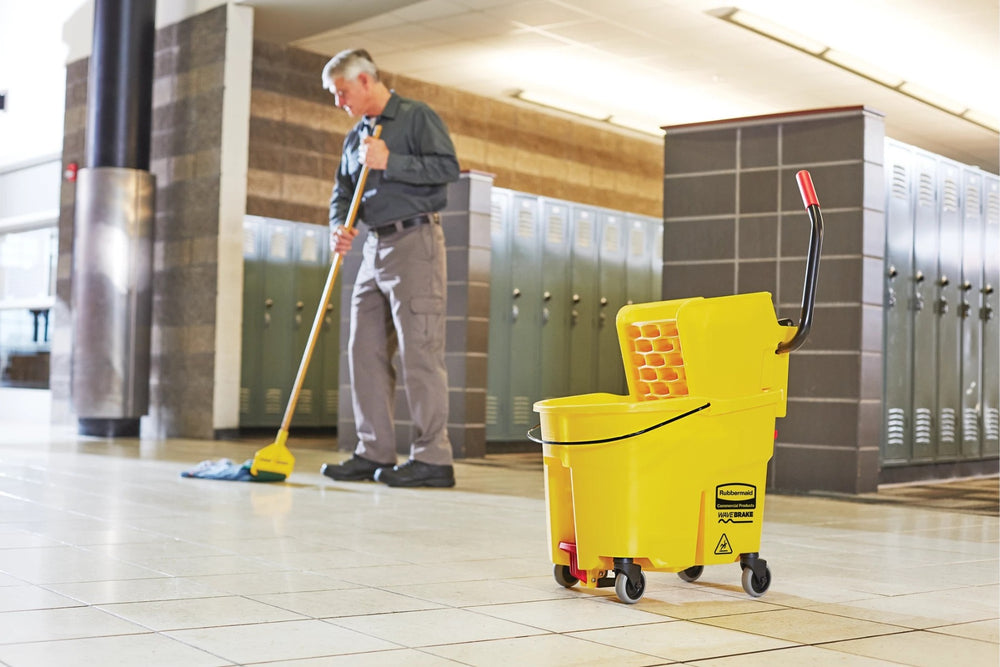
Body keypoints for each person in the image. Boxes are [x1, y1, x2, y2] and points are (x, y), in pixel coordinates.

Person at [318, 49, 460, 488]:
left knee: (420, 351)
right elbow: (342, 192)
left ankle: (433, 458)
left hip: (415, 242)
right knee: (364, 351)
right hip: (373, 247)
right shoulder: (354, 137)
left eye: (342, 91)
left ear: (365, 81)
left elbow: (447, 168)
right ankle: (373, 450)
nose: (339, 101)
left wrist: (390, 161)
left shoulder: (416, 117)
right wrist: (339, 225)